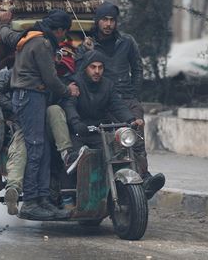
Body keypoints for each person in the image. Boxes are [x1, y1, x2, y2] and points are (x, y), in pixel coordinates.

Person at [77, 1, 165, 199]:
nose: (108, 24)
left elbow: (137, 68)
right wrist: (86, 51)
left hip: (126, 98)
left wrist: (133, 94)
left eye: (112, 20)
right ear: (97, 21)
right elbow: (79, 71)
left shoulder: (127, 41)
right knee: (111, 144)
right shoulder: (88, 44)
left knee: (136, 138)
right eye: (104, 20)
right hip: (103, 101)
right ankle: (114, 182)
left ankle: (144, 177)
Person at [7, 9, 79, 220]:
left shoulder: (33, 37)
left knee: (44, 149)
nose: (64, 38)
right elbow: (50, 79)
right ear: (59, 30)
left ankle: (43, 199)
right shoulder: (42, 44)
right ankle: (30, 202)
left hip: (33, 97)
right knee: (36, 148)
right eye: (64, 33)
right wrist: (68, 91)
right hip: (30, 96)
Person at [61, 50, 145, 206]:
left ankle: (128, 186)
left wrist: (131, 119)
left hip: (99, 131)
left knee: (117, 154)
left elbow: (117, 105)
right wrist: (76, 123)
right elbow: (69, 105)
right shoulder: (75, 83)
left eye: (100, 67)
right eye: (93, 67)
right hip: (78, 131)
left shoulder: (107, 85)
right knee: (73, 157)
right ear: (86, 67)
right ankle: (67, 196)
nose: (97, 71)